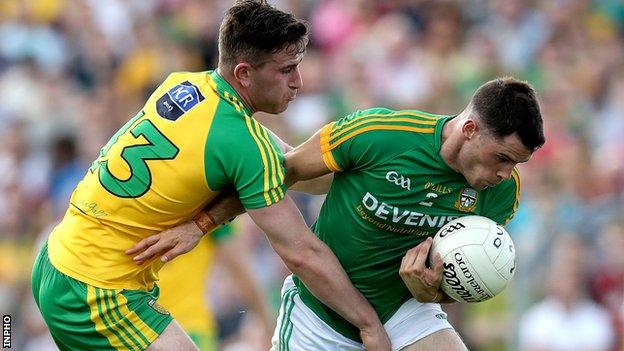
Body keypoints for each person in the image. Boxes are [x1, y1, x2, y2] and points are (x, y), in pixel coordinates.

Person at [30, 1, 390, 350]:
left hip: (58, 259)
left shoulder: (185, 84)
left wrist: (375, 174)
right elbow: (302, 253)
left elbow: (290, 166)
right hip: (99, 289)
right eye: (285, 70)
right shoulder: (241, 142)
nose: (298, 81)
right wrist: (367, 322)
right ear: (244, 73)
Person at [131, 76, 545, 350]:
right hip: (320, 315)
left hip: (405, 312)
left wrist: (432, 291)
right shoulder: (379, 135)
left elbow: (461, 274)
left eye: (515, 165)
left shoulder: (501, 194)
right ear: (470, 129)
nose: (504, 173)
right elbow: (280, 173)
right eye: (502, 158)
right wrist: (202, 224)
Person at [157, 222, 274, 350]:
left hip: (168, 328)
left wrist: (267, 325)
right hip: (187, 329)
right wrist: (268, 327)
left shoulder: (210, 210)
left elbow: (240, 270)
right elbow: (240, 270)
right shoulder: (209, 207)